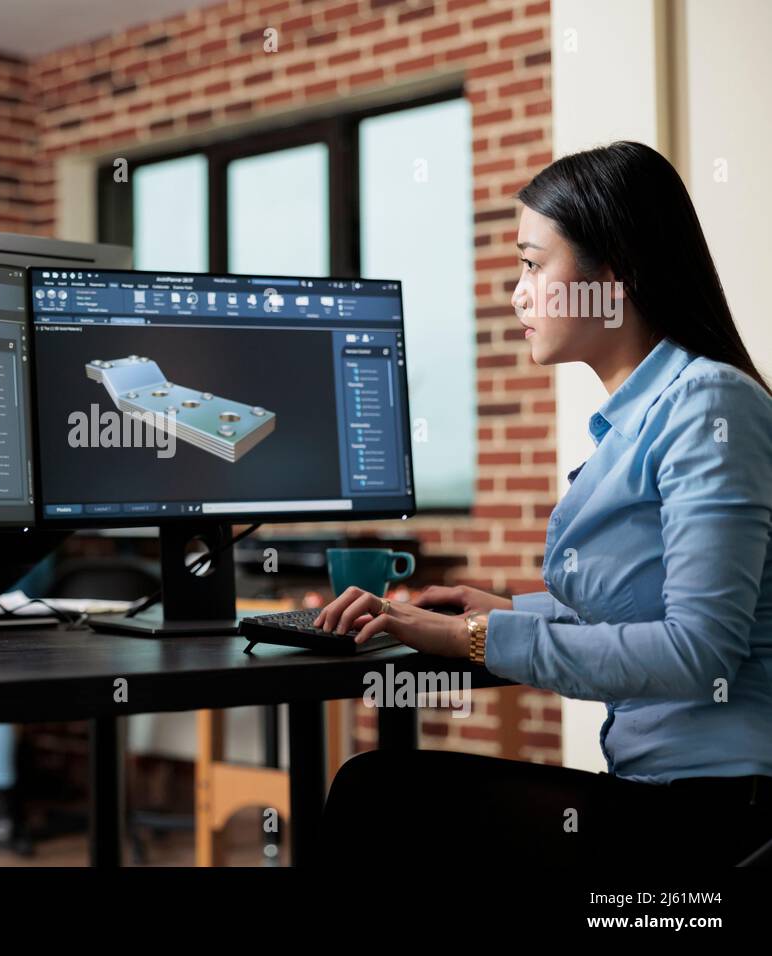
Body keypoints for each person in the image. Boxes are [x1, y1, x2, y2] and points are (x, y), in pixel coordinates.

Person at [313, 142, 772, 866]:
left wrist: (470, 639)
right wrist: (502, 609)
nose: (517, 292)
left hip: (715, 817)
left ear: (611, 275)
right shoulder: (645, 415)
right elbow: (643, 609)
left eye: (533, 263)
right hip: (663, 793)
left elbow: (696, 650)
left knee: (378, 796)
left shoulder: (709, 405)